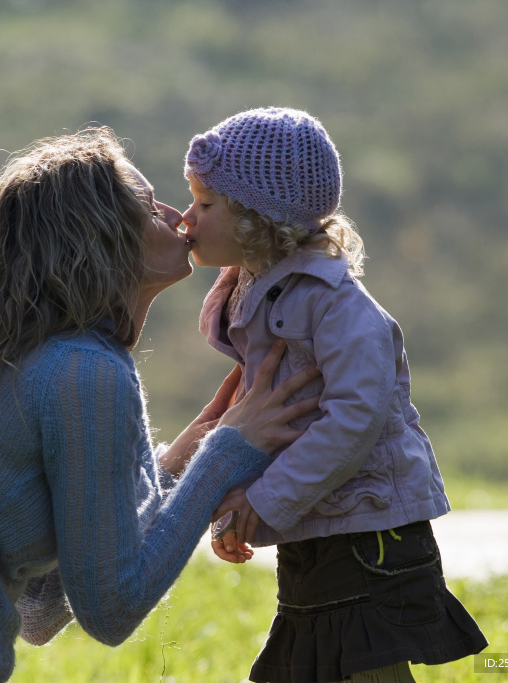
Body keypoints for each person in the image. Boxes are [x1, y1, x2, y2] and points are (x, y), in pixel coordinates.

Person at [0, 128, 322, 682]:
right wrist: (225, 457)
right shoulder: (81, 371)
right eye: (145, 206)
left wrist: (174, 470)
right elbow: (112, 610)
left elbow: (39, 609)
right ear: (96, 236)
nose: (176, 215)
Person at [180, 108, 488, 683]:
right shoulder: (261, 294)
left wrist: (264, 502)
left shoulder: (334, 304)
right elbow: (266, 421)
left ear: (256, 216)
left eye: (204, 204)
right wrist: (237, 499)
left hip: (368, 531)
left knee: (364, 668)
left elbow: (354, 418)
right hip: (318, 520)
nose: (187, 220)